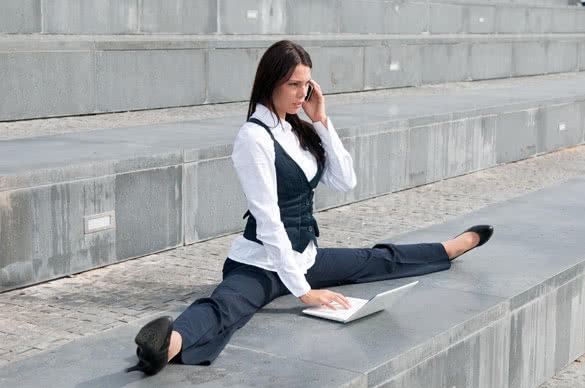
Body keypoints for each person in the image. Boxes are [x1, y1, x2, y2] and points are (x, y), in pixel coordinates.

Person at [126, 40, 494, 375]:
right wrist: (303, 291)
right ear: (270, 83)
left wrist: (321, 121)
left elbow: (345, 180)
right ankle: (163, 346)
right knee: (227, 306)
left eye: (307, 84)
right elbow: (268, 220)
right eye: (293, 85)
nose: (302, 93)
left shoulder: (298, 129)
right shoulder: (253, 138)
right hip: (261, 261)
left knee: (373, 260)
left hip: (304, 255)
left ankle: (447, 248)